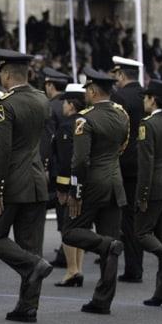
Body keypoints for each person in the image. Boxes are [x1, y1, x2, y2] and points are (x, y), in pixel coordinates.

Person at [0, 49, 52, 323]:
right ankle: (28, 306)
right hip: (37, 178)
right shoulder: (41, 99)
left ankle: (32, 266)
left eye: (0, 72)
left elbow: (2, 153)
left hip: (13, 181)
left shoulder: (5, 104)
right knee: (31, 243)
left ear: (8, 74)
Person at [62, 67, 129, 315]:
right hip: (115, 181)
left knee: (70, 232)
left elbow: (80, 160)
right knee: (108, 243)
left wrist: (76, 191)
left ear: (91, 90)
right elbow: (122, 145)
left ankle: (109, 244)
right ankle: (103, 299)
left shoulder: (85, 119)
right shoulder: (121, 115)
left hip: (92, 184)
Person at [135, 79, 162, 306]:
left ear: (153, 99)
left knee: (142, 233)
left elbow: (146, 165)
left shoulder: (148, 124)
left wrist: (142, 195)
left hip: (155, 186)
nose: (144, 100)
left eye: (146, 97)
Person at [111, 56, 145, 283]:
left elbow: (117, 131)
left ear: (122, 75)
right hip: (146, 161)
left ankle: (132, 268)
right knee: (139, 215)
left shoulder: (120, 97)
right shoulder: (147, 94)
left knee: (125, 218)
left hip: (125, 163)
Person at [53, 84, 86, 287]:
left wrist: (63, 188)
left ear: (71, 105)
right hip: (83, 184)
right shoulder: (85, 121)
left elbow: (66, 161)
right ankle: (78, 269)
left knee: (67, 228)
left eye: (65, 102)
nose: (63, 106)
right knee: (79, 226)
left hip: (69, 185)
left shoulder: (67, 126)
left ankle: (72, 270)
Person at [43, 67, 74, 268]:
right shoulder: (71, 104)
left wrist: (45, 165)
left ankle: (66, 253)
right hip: (74, 164)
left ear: (50, 85)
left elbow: (47, 140)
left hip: (57, 165)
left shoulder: (50, 107)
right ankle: (68, 249)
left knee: (62, 209)